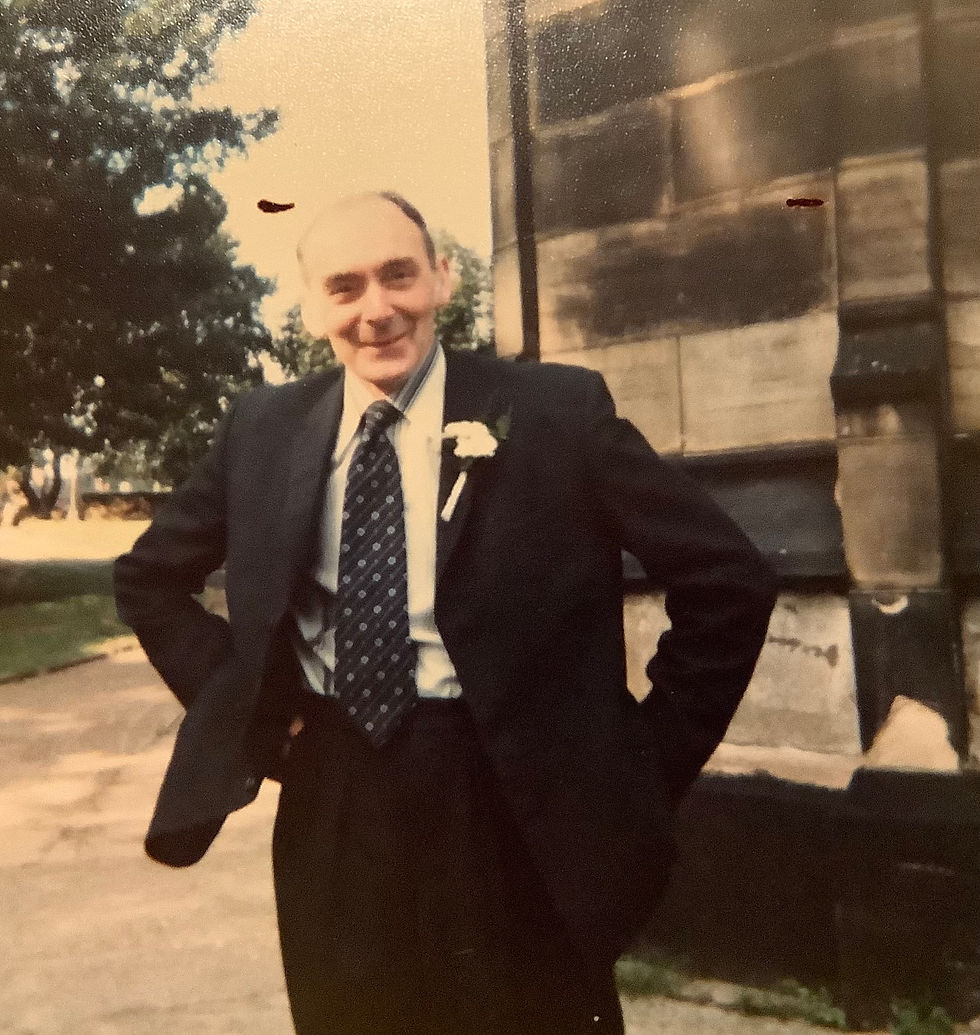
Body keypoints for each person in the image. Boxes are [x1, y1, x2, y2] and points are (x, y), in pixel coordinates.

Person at [114, 191, 777, 1035]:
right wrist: (251, 707)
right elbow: (148, 579)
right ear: (313, 305)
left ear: (443, 278)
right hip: (335, 795)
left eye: (399, 275)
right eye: (345, 287)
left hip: (507, 796)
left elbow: (729, 578)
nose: (376, 309)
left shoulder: (554, 412)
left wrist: (640, 759)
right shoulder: (263, 428)